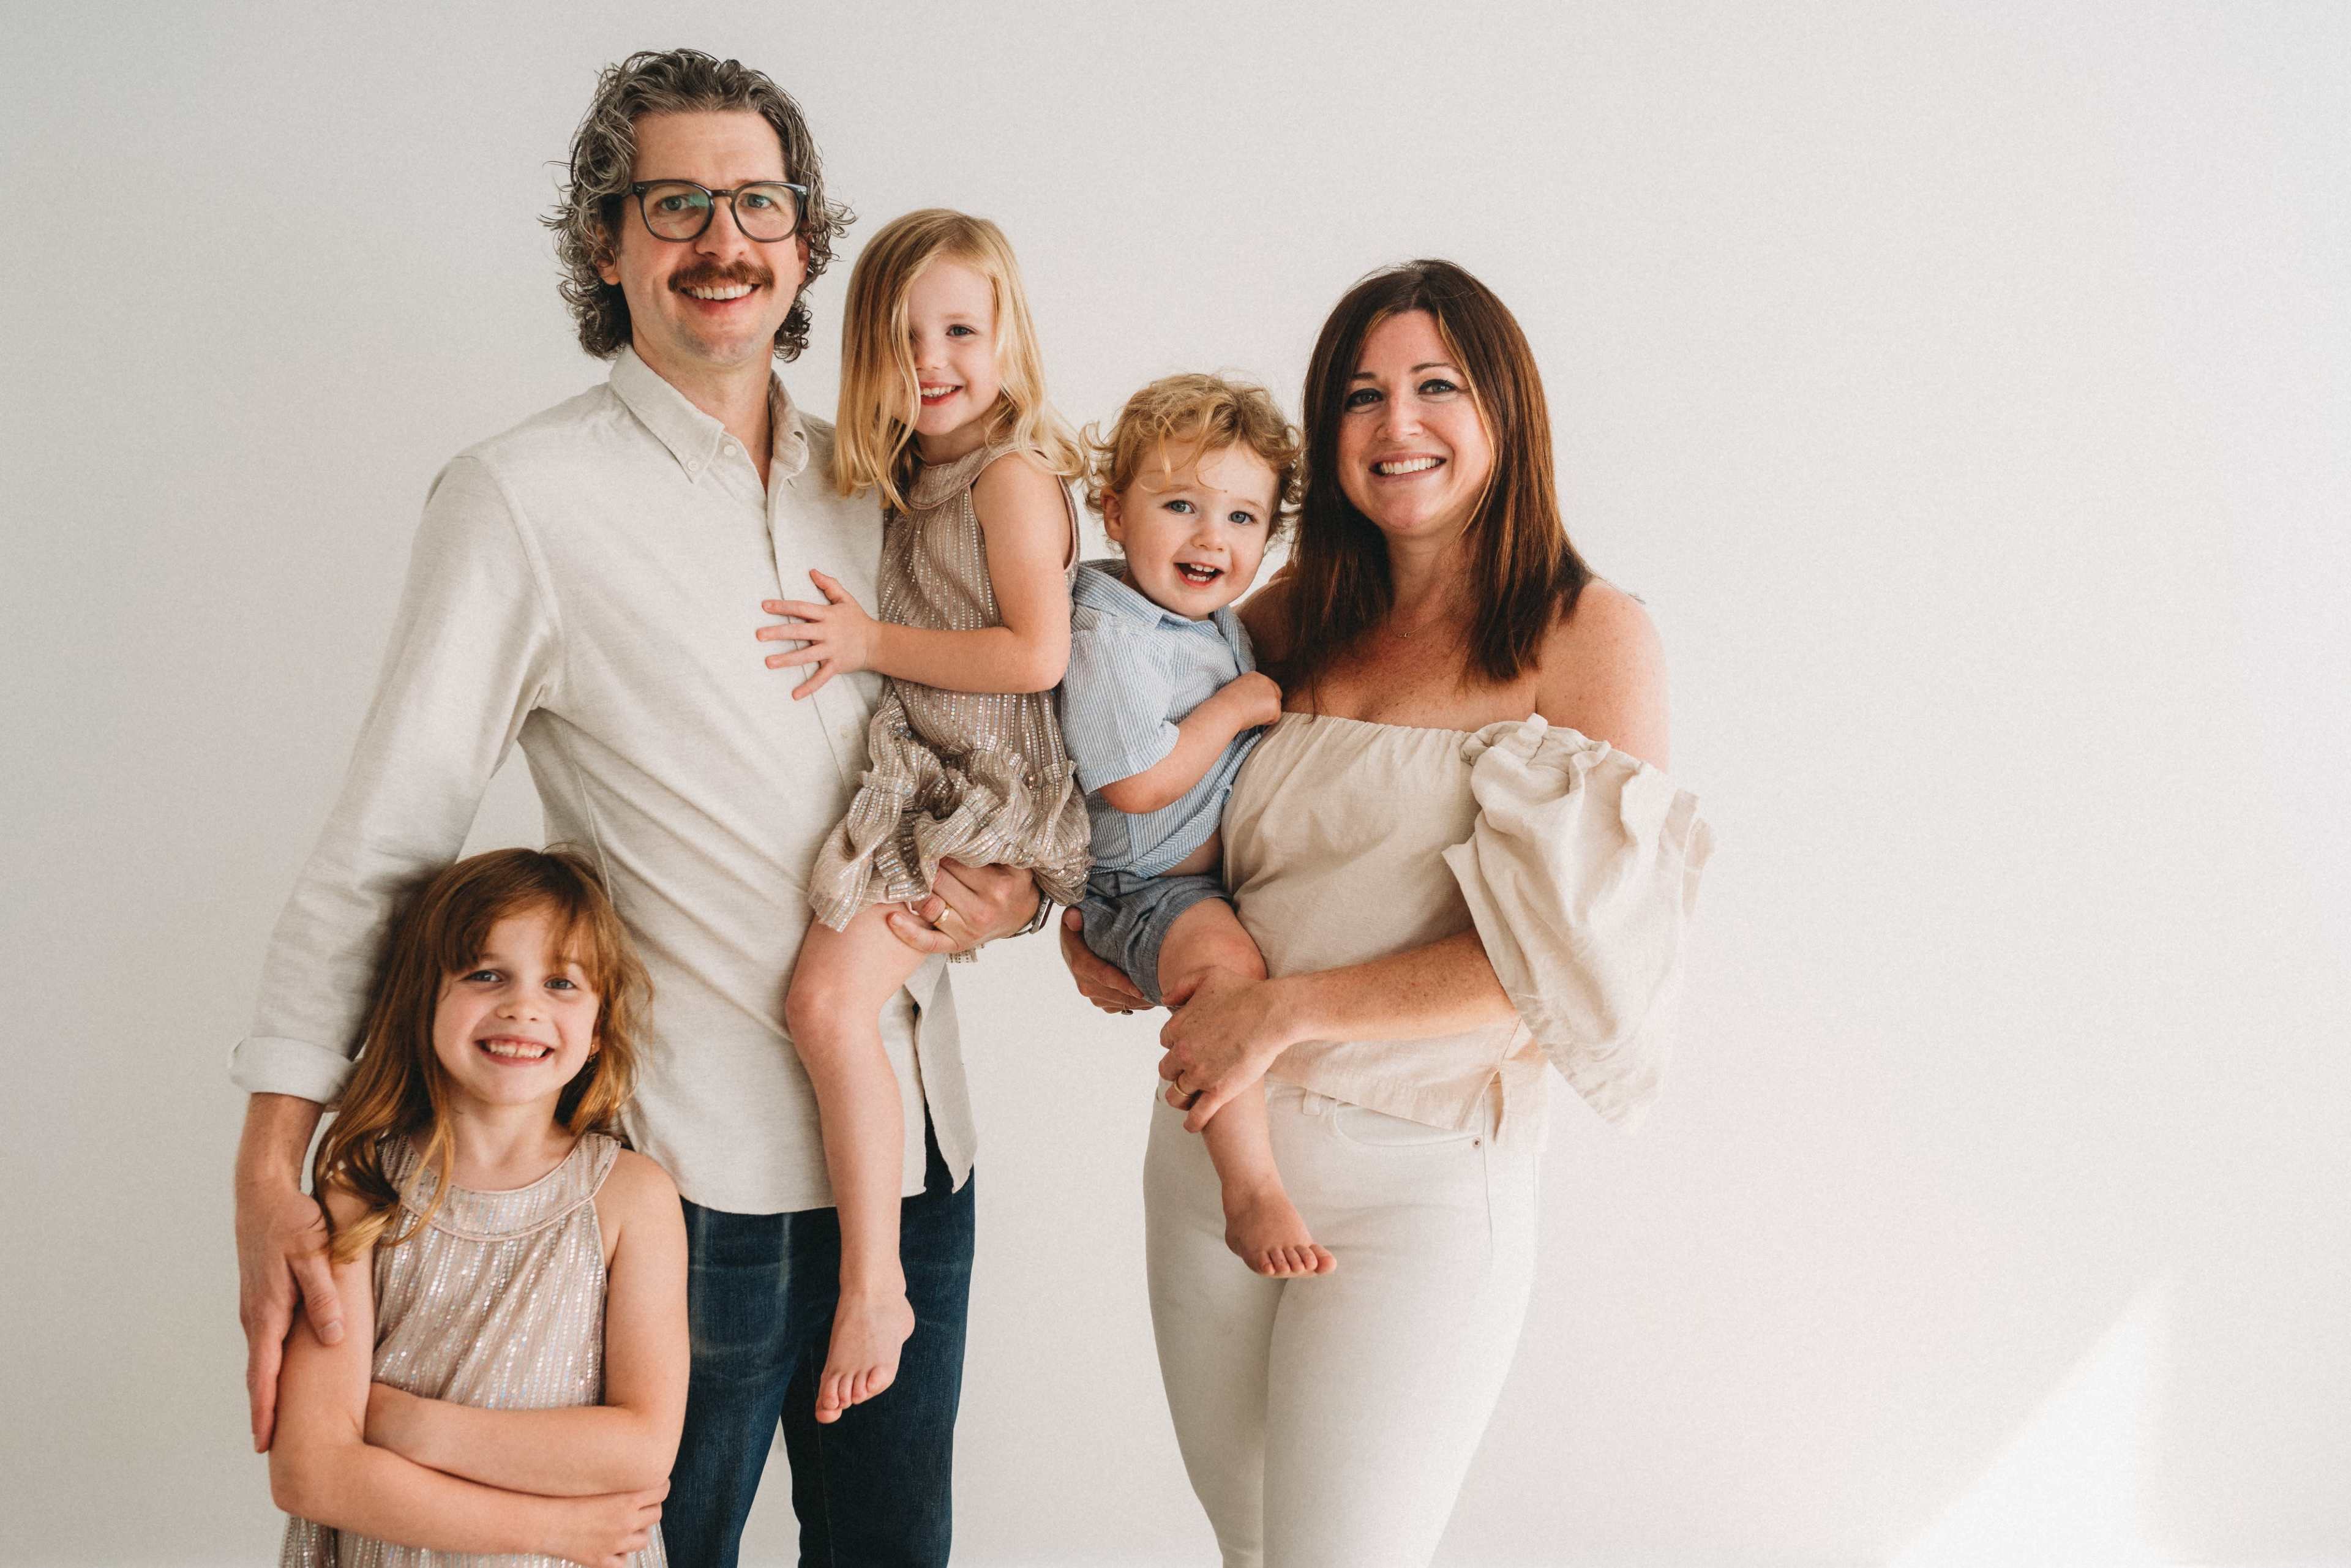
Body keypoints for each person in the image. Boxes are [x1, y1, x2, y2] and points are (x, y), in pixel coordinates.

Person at [233, 50, 1040, 1568]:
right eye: (675, 204)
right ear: (606, 245)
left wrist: (1020, 888)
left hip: (918, 1159)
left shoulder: (883, 474)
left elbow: (993, 728)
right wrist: (267, 1158)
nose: (721, 240)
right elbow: (389, 837)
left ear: (804, 242)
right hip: (693, 1191)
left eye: (756, 203)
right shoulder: (520, 496)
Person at [1062, 260, 1717, 1567]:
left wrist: (1280, 1011)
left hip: (1422, 1182)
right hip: (1210, 1158)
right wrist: (1075, 911)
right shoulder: (1284, 614)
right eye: (1361, 394)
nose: (1395, 422)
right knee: (1249, 1548)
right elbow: (1125, 783)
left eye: (1435, 386)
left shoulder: (1588, 634)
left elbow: (1572, 959)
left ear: (1505, 411)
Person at [751, 208, 1090, 1424]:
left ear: (1009, 342)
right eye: (903, 338)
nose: (932, 358)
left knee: (826, 999)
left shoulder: (1008, 476)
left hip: (978, 790)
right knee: (828, 1000)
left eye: (960, 329)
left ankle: (876, 1281)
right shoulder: (905, 474)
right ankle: (872, 1268)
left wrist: (867, 643)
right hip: (925, 772)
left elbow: (1037, 653)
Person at [271, 847, 685, 1567]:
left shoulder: (631, 1196)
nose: (523, 1005)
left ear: (597, 1028)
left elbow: (640, 1448)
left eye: (561, 981)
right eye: (484, 974)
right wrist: (549, 1529)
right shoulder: (359, 1186)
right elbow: (311, 1471)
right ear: (423, 996)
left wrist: (408, 1426)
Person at [1059, 373, 1332, 1278]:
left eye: (1244, 518)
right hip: (1146, 886)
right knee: (1228, 978)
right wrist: (1235, 709)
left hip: (1192, 880)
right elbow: (1135, 781)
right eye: (1181, 505)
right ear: (1114, 513)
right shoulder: (1111, 630)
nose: (1212, 536)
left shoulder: (1207, 619)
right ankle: (1250, 1186)